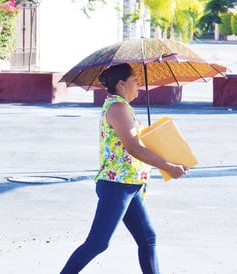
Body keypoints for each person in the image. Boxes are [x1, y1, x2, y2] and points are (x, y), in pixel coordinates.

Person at [60, 63, 188, 274]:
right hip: (117, 185)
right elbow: (134, 148)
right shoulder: (118, 108)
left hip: (130, 184)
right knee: (98, 243)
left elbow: (135, 145)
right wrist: (168, 167)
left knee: (148, 239)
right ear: (121, 84)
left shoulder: (122, 107)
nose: (139, 86)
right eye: (135, 81)